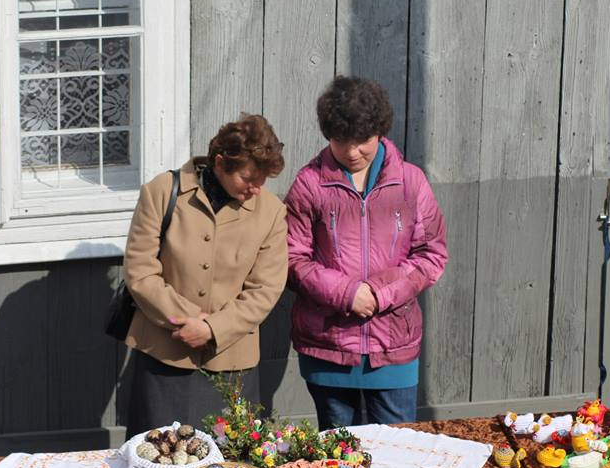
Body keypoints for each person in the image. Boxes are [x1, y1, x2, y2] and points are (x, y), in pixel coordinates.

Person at [285, 76, 448, 429]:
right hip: (328, 347)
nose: (352, 151)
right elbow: (292, 258)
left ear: (380, 132)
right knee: (338, 453)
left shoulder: (410, 182)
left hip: (393, 346)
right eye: (341, 140)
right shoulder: (309, 184)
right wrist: (347, 293)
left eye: (363, 141)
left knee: (397, 449)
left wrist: (378, 293)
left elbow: (431, 254)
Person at [123, 114, 288, 436]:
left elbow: (266, 289)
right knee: (157, 456)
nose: (256, 189)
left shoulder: (271, 212)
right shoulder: (161, 192)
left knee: (229, 461)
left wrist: (212, 329)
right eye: (248, 177)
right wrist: (185, 319)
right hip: (164, 355)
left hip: (232, 362)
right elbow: (140, 269)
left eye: (263, 180)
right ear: (220, 162)